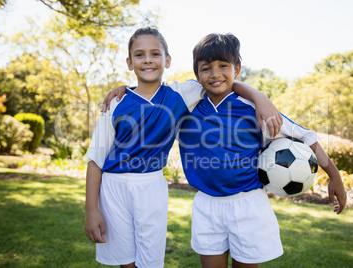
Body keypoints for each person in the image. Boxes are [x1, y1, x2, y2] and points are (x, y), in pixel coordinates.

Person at [85, 27, 283, 268]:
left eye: (155, 54)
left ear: (167, 60)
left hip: (151, 186)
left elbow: (223, 82)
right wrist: (91, 209)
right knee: (126, 262)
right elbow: (96, 159)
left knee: (150, 262)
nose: (147, 59)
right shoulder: (116, 102)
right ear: (129, 62)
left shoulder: (184, 92)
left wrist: (258, 96)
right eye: (140, 55)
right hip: (113, 189)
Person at [175, 33, 347, 267]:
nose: (215, 74)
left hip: (248, 205)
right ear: (197, 75)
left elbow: (306, 137)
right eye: (206, 68)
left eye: (223, 66)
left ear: (237, 69)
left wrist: (334, 175)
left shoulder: (256, 110)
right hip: (207, 205)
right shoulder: (187, 107)